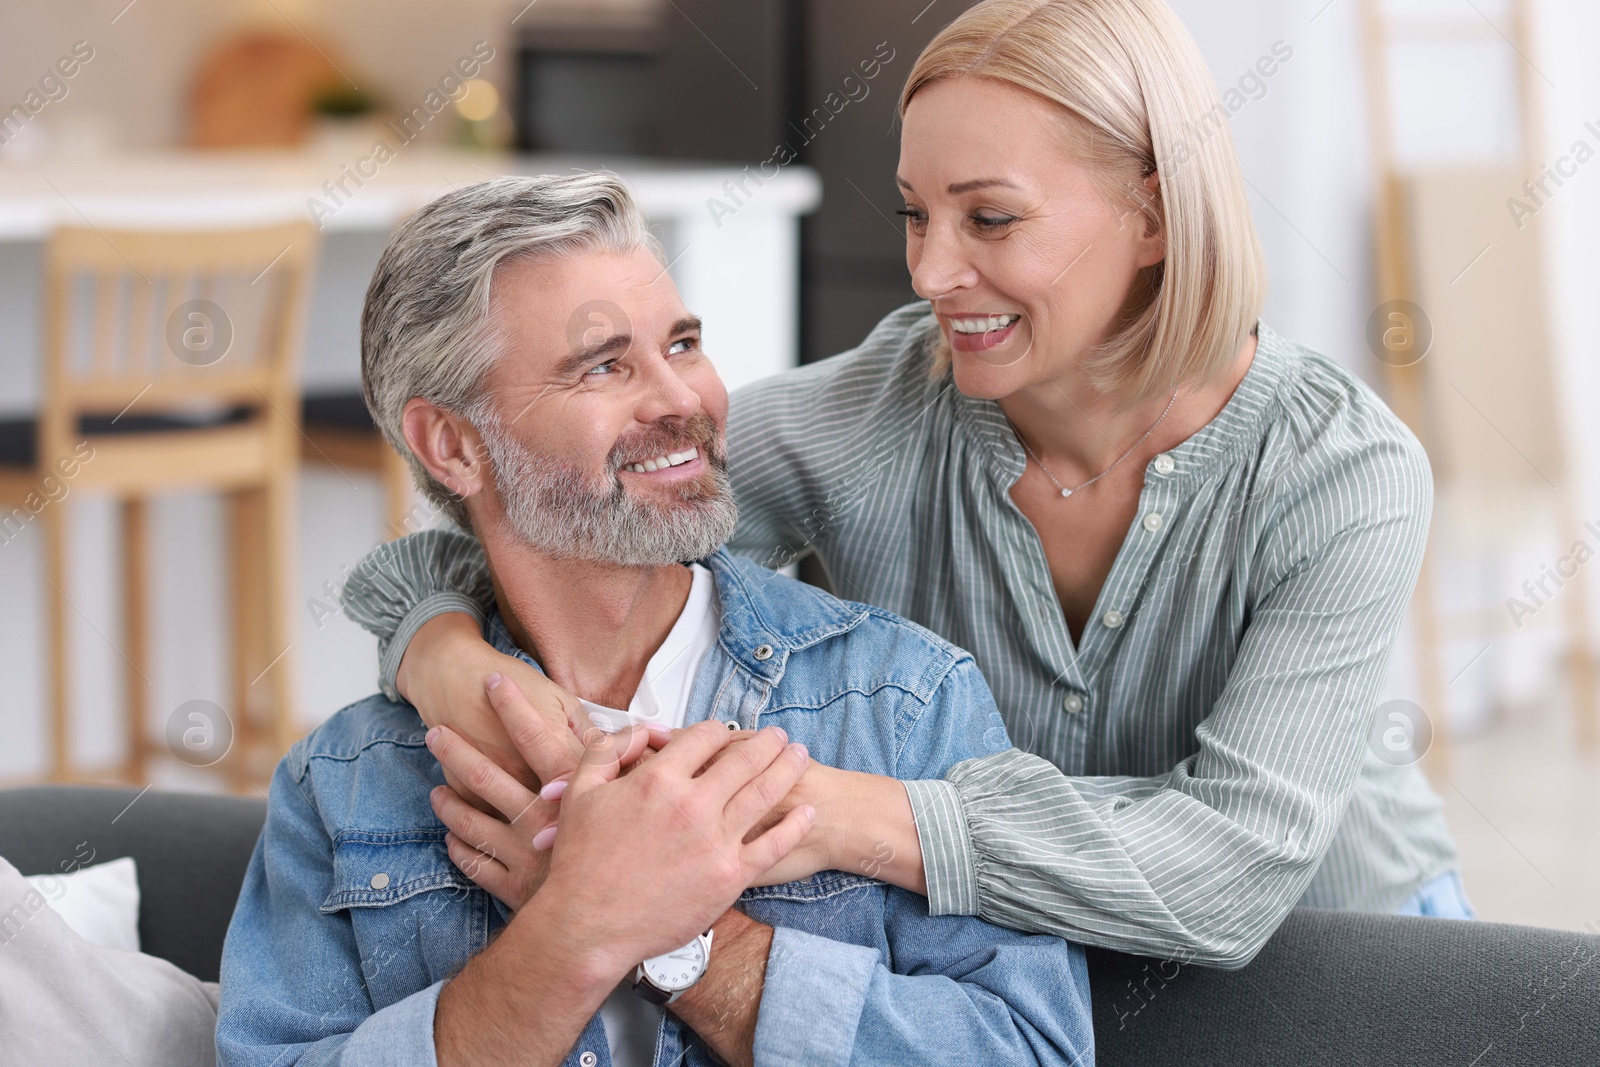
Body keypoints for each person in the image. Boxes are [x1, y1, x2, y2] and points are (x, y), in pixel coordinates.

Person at [339, 0, 1470, 974]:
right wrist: (446, 652)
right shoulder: (871, 420)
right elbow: (572, 510)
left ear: (1155, 213)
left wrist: (824, 814)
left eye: (990, 218)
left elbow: (1227, 876)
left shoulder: (1338, 471)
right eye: (914, 214)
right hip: (1032, 955)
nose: (931, 272)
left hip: (1336, 961)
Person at [215, 173, 1093, 1067]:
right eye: (603, 365)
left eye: (683, 344)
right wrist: (568, 938)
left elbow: (1030, 1052)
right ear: (453, 445)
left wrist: (687, 944)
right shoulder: (347, 783)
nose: (683, 398)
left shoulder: (899, 701)